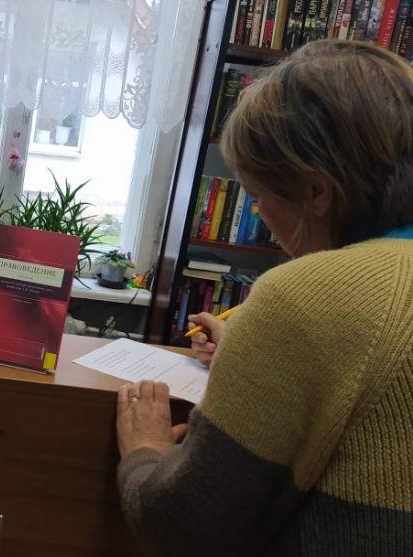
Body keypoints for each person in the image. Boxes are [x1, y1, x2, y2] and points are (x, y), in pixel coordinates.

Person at [116, 39, 413, 556]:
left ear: (316, 191)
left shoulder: (307, 296)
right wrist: (254, 356)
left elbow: (181, 528)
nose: (264, 219)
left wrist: (145, 446)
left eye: (258, 196)